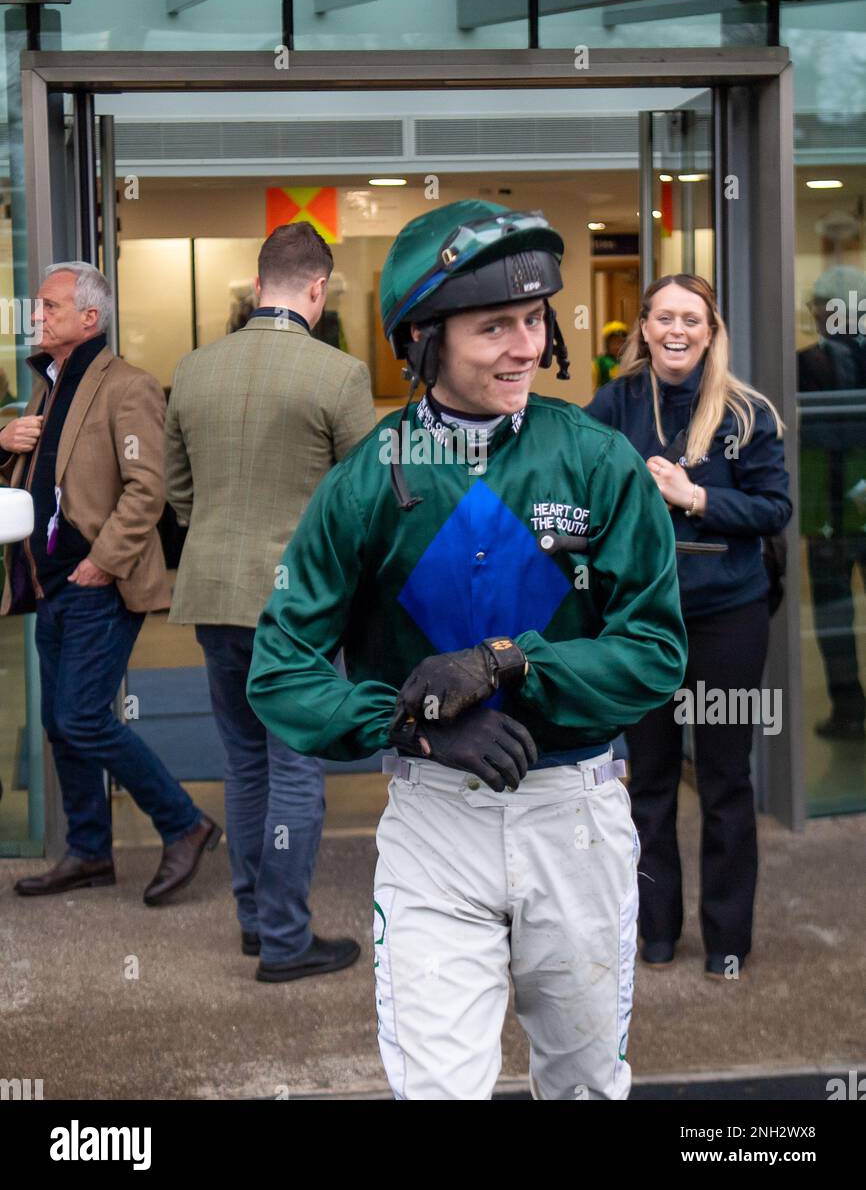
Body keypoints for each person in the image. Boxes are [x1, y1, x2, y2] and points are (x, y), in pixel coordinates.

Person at [248, 200, 687, 1099]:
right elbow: (280, 667)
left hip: (577, 813)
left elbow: (653, 651)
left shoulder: (599, 462)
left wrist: (509, 662)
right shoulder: (367, 479)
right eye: (494, 327)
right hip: (433, 824)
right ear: (423, 337)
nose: (525, 346)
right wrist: (407, 728)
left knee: (585, 1088)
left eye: (534, 320)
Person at [165, 222, 376, 982]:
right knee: (295, 771)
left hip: (215, 594)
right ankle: (286, 941)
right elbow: (369, 499)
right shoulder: (339, 376)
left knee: (243, 765)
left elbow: (177, 493)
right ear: (317, 290)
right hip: (299, 606)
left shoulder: (192, 370)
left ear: (260, 286)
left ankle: (256, 922)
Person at [586, 273, 792, 980]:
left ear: (711, 332)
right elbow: (579, 499)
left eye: (691, 320)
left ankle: (728, 939)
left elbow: (774, 509)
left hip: (729, 617)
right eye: (664, 317)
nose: (677, 331)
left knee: (727, 781)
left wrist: (696, 496)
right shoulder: (612, 406)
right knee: (647, 779)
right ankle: (658, 932)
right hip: (642, 621)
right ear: (642, 327)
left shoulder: (745, 412)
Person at [0, 263, 220, 904]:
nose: (37, 316)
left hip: (99, 582)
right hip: (50, 581)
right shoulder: (48, 386)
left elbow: (148, 490)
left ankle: (184, 824)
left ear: (89, 319)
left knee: (84, 717)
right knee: (59, 722)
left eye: (49, 307)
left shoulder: (129, 387)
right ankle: (91, 851)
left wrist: (102, 560)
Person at [798, 265, 866, 742]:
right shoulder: (801, 365)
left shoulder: (806, 365)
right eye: (819, 307)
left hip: (838, 509)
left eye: (825, 305)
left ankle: (848, 708)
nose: (820, 314)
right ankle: (848, 707)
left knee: (833, 614)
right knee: (832, 615)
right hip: (825, 514)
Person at [592, 319, 628, 392]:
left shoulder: (628, 361)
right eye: (614, 343)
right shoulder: (600, 362)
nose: (618, 346)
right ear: (607, 344)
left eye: (621, 342)